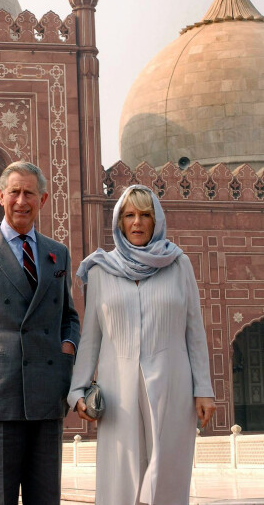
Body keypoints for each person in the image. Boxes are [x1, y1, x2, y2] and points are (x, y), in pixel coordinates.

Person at [68, 185, 216, 505]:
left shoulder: (178, 265)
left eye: (145, 215)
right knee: (121, 478)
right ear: (119, 223)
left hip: (172, 383)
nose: (137, 222)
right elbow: (91, 337)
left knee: (167, 473)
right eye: (130, 215)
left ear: (156, 220)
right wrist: (77, 391)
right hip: (117, 389)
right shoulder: (101, 269)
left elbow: (194, 331)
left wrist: (203, 388)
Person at [0, 160, 80, 505]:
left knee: (46, 497)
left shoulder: (57, 253)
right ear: (1, 196)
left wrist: (66, 350)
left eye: (30, 193)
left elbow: (69, 317)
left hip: (46, 391)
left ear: (43, 199)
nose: (22, 201)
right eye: (15, 192)